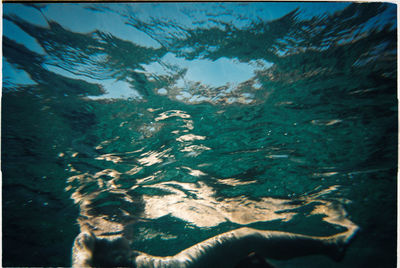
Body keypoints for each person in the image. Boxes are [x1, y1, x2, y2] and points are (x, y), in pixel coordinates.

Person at [72, 223, 359, 268]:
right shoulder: (105, 250)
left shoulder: (114, 252)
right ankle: (331, 245)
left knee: (249, 259)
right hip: (180, 267)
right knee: (246, 237)